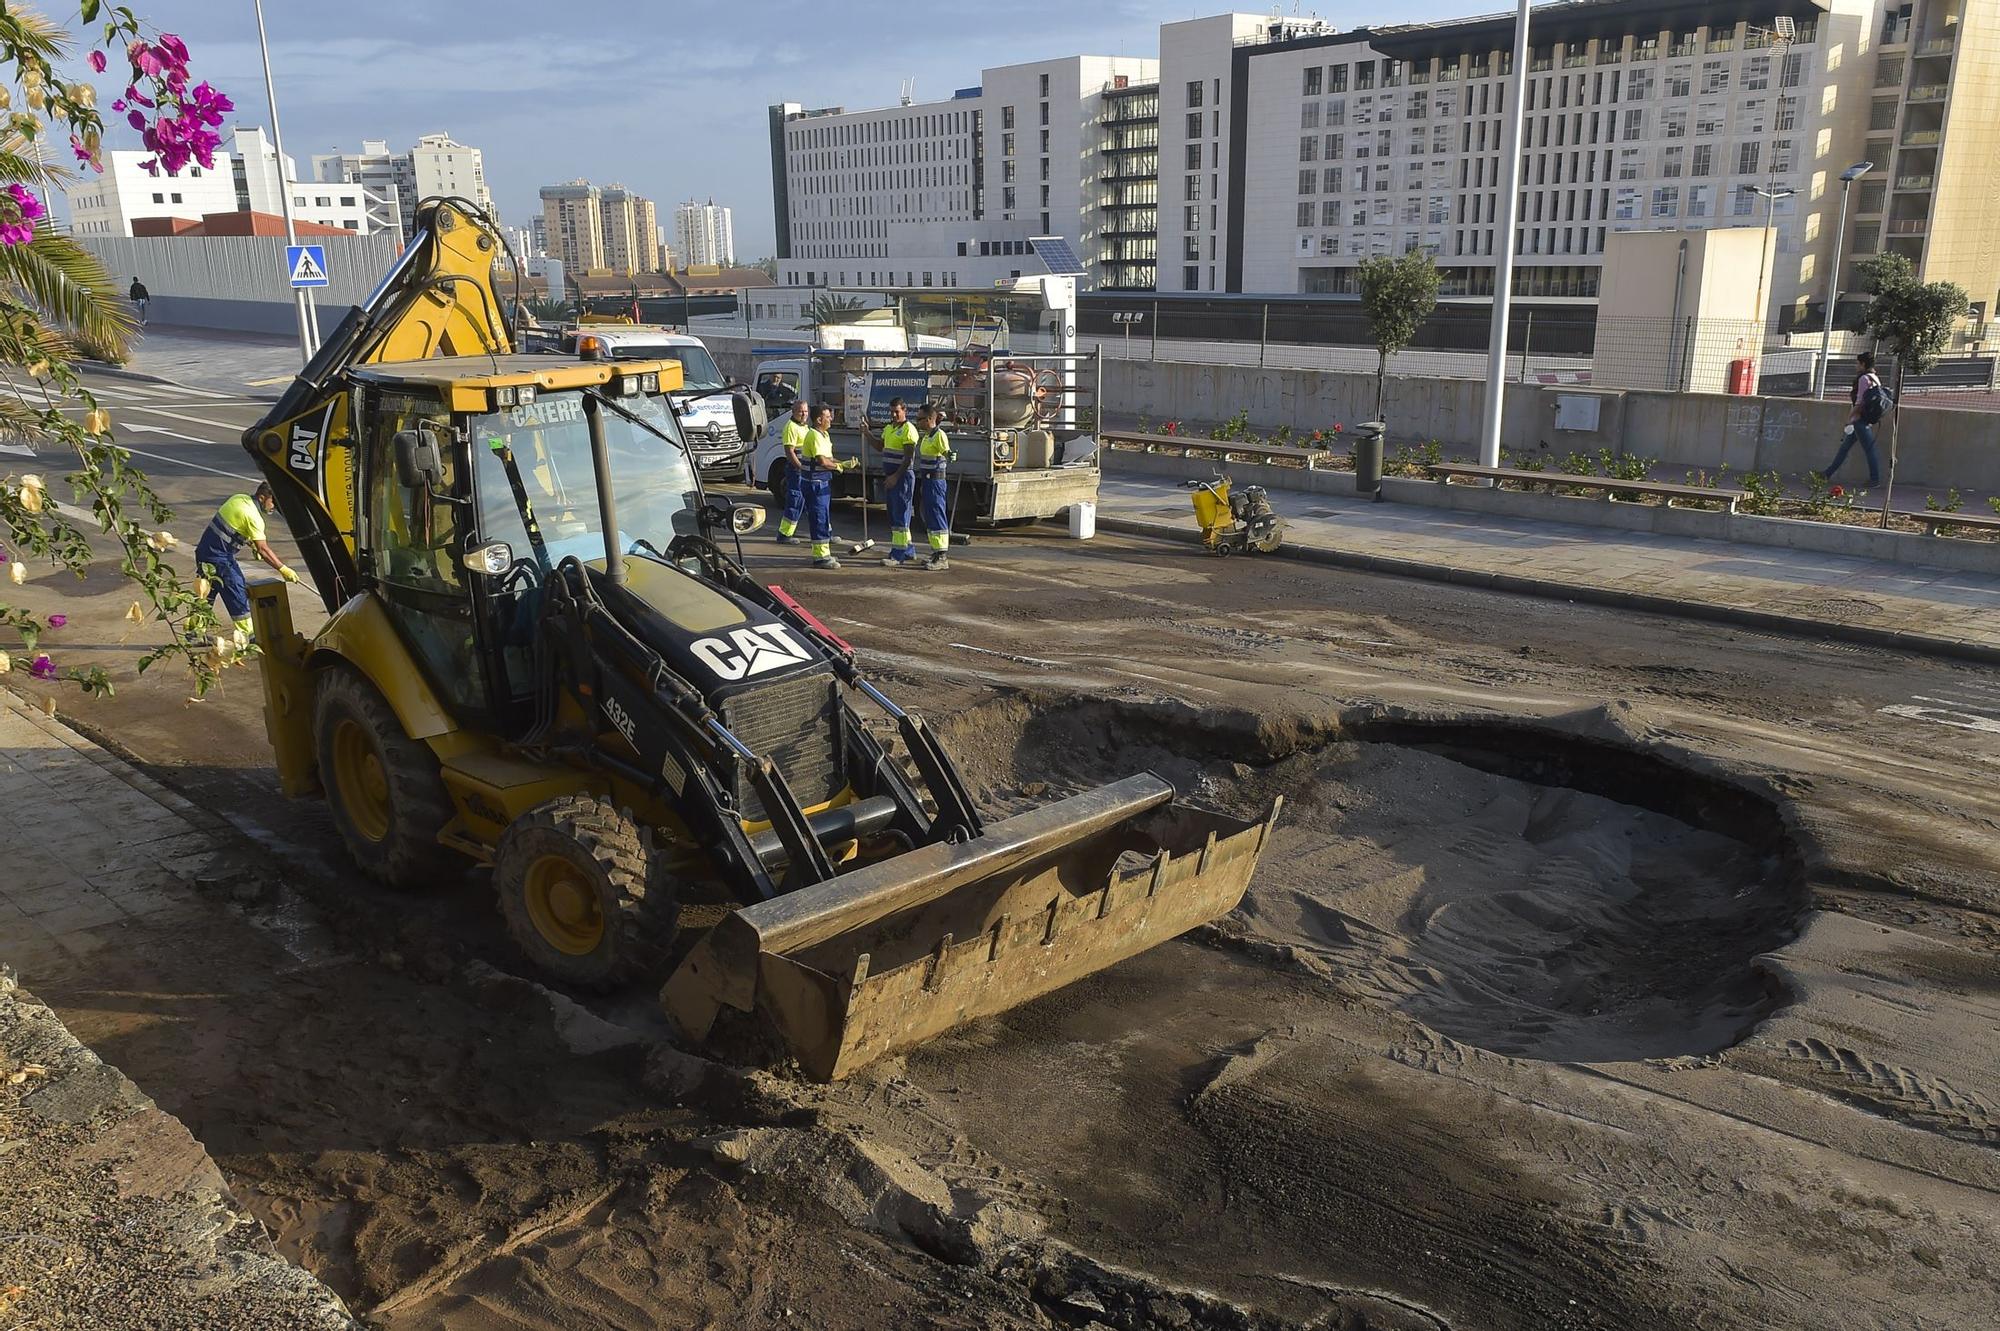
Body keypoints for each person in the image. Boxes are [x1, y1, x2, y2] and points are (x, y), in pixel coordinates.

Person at [194, 482, 297, 638]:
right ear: (262, 498)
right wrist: (283, 569)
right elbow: (264, 549)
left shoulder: (239, 499)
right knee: (237, 591)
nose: (274, 506)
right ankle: (249, 636)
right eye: (272, 501)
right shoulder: (254, 517)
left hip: (204, 552)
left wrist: (249, 541)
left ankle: (194, 632)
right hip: (220, 558)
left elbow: (233, 527)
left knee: (206, 593)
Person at [794, 403, 848, 570]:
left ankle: (824, 553)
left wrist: (843, 463)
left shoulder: (823, 435)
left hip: (821, 482)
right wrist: (837, 467)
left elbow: (829, 458)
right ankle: (821, 557)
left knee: (823, 518)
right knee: (819, 519)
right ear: (819, 419)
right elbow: (822, 461)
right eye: (828, 416)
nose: (831, 418)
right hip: (814, 484)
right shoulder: (815, 436)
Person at [1820, 351, 1884, 488]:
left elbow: (1860, 402)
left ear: (1863, 364)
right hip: (1867, 419)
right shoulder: (1875, 378)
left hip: (1860, 420)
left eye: (1858, 363)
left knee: (1869, 449)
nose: (1856, 366)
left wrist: (1850, 418)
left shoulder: (1863, 379)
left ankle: (1874, 479)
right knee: (1844, 448)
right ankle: (1827, 474)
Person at [876, 397, 920, 566]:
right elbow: (880, 446)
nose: (894, 415)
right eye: (892, 411)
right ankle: (908, 549)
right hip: (891, 476)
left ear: (904, 411)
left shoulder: (908, 429)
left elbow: (908, 458)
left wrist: (895, 477)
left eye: (897, 412)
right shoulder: (889, 428)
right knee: (896, 514)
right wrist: (866, 433)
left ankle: (898, 554)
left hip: (902, 477)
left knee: (900, 515)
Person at [913, 402, 954, 571]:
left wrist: (950, 455)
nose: (918, 422)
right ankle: (936, 551)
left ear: (930, 419)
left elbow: (946, 453)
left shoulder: (939, 435)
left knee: (937, 514)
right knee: (930, 515)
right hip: (928, 480)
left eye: (920, 419)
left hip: (936, 481)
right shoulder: (928, 436)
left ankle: (942, 555)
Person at [773, 399, 811, 544]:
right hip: (797, 471)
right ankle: (784, 534)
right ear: (794, 412)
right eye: (801, 411)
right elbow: (789, 452)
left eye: (806, 411)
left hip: (807, 470)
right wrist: (800, 467)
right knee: (795, 501)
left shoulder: (805, 427)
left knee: (812, 503)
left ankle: (824, 532)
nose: (804, 414)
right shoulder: (791, 427)